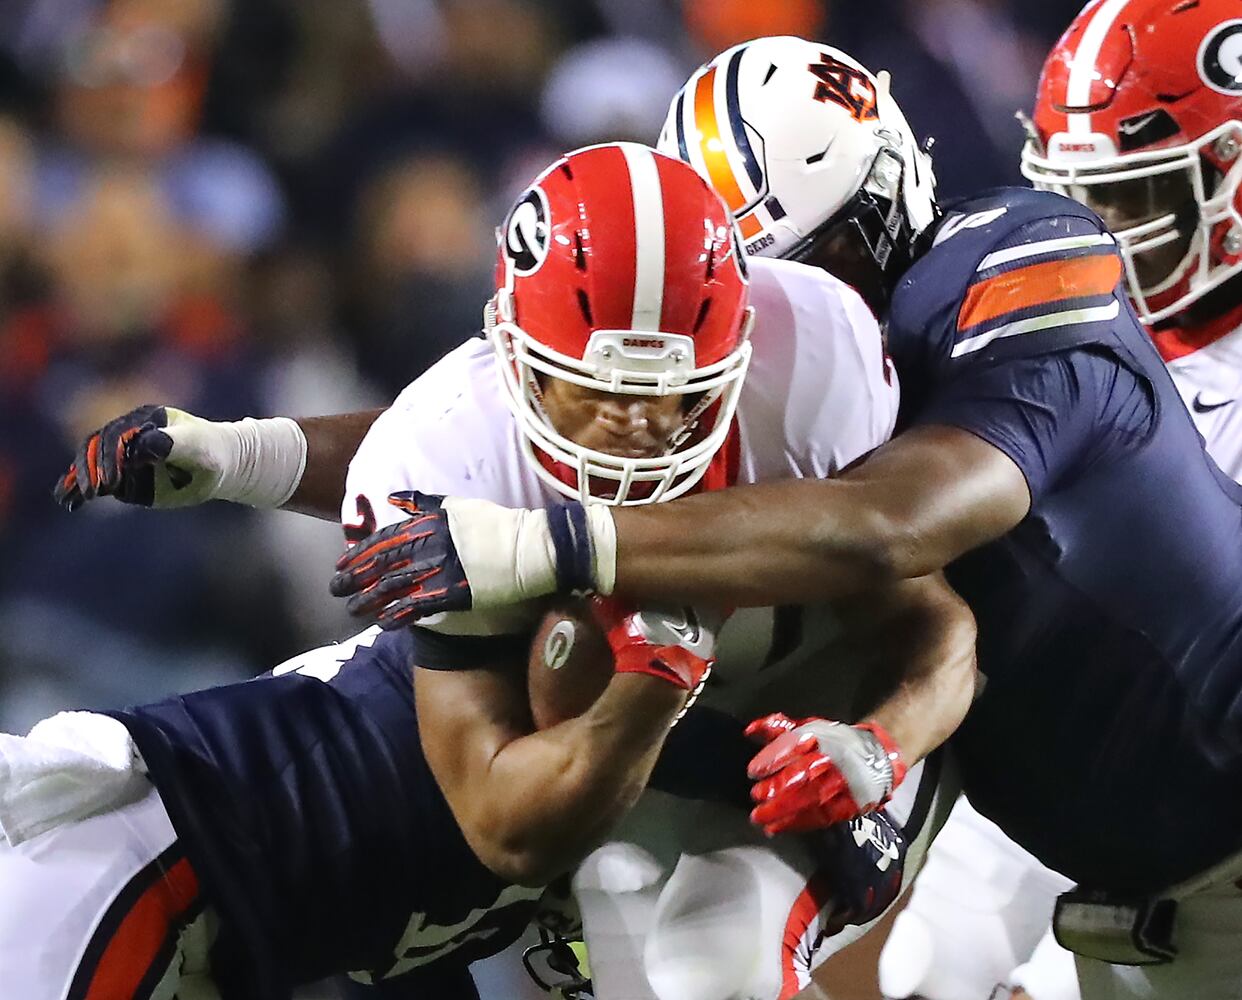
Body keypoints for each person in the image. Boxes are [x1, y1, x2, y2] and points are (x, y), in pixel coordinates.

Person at [325, 40, 1242, 1000]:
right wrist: (264, 459)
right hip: (1116, 882)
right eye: (757, 289)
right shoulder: (762, 385)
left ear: (888, 202)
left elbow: (892, 522)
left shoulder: (1018, 254)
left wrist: (544, 545)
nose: (801, 306)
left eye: (824, 263)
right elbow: (490, 438)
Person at [52, 142, 976, 1000]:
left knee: (719, 961)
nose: (633, 428)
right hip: (641, 756)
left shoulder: (810, 365)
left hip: (822, 718)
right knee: (594, 787)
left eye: (672, 394)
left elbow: (935, 622)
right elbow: (501, 820)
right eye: (592, 389)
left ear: (741, 349)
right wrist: (652, 686)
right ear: (511, 354)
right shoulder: (451, 441)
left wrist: (881, 746)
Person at [882, 1, 1242, 997]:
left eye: (1132, 200)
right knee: (923, 974)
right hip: (1068, 783)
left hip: (1197, 820)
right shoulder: (1057, 348)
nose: (1095, 243)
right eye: (1074, 198)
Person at [0, 603, 721, 1000]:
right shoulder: (452, 688)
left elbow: (392, 950)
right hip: (143, 864)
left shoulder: (502, 874)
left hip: (209, 929)